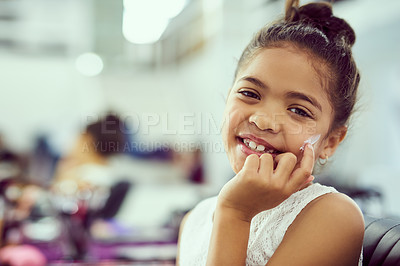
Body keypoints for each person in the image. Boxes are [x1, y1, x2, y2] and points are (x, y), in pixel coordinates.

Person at [177, 0, 364, 265]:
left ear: (331, 142)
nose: (264, 121)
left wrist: (235, 213)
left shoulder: (334, 216)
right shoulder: (194, 219)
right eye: (249, 93)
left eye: (298, 111)